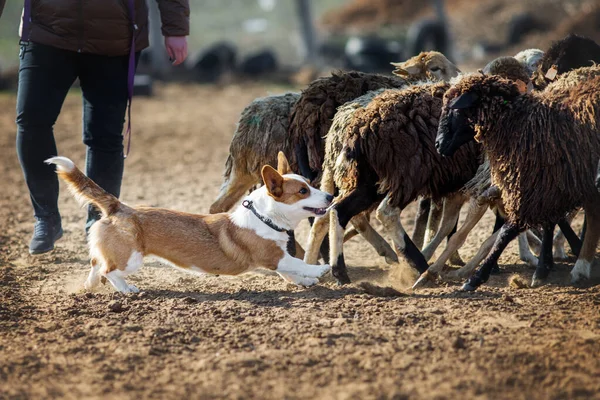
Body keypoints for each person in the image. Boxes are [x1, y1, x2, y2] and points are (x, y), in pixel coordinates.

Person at [16, 0, 189, 254]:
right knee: (31, 122)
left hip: (115, 38)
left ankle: (99, 223)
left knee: (104, 136)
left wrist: (175, 28)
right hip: (46, 31)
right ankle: (46, 218)